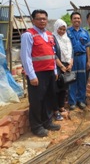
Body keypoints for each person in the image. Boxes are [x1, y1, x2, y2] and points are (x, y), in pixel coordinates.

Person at [20, 9, 60, 137]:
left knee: (49, 98)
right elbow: (25, 57)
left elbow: (52, 54)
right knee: (37, 100)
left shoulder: (49, 34)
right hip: (37, 74)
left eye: (44, 18)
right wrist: (31, 75)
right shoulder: (28, 35)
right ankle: (36, 126)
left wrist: (54, 70)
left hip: (49, 72)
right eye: (39, 19)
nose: (42, 21)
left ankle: (47, 122)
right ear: (33, 20)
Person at [67, 12, 90, 110]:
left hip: (82, 57)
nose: (76, 20)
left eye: (78, 18)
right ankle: (72, 102)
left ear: (81, 20)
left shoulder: (85, 32)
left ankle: (81, 100)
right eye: (74, 18)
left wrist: (88, 61)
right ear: (71, 20)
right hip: (71, 58)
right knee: (71, 80)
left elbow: (88, 47)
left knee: (82, 80)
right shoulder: (67, 32)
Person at [53, 19, 73, 121]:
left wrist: (71, 63)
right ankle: (55, 109)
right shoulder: (53, 38)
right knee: (56, 88)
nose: (62, 31)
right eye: (60, 29)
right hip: (57, 66)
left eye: (64, 29)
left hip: (67, 66)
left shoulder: (67, 39)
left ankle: (61, 106)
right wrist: (61, 66)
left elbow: (71, 51)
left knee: (64, 88)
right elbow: (53, 54)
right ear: (56, 28)